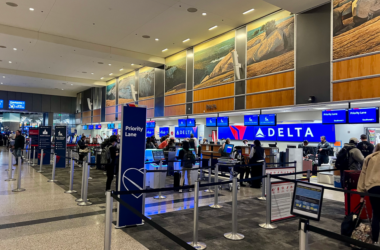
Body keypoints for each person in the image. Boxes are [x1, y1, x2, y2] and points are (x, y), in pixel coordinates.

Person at [358, 143, 380, 245]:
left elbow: (363, 175)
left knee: (376, 214)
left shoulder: (369, 158)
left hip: (373, 188)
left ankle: (375, 239)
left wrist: (361, 193)